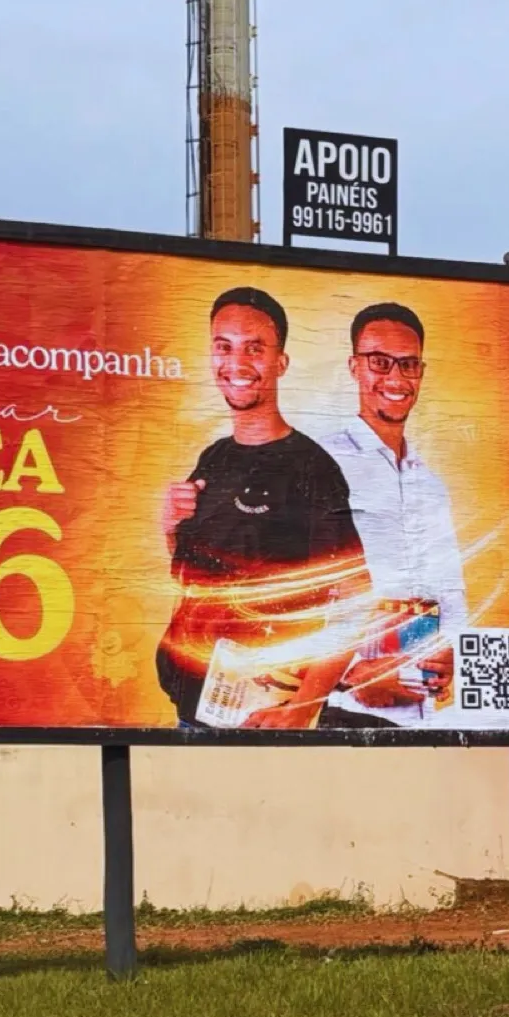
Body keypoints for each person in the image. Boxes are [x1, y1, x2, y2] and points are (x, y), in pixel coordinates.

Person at [157, 287, 368, 729]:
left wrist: (302, 707)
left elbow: (356, 602)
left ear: (281, 363)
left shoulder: (311, 469)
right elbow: (198, 579)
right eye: (224, 347)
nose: (236, 363)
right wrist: (172, 527)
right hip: (192, 715)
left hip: (257, 721)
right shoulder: (214, 458)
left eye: (254, 348)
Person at [320, 302, 468, 728]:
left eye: (409, 364)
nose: (396, 379)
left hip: (422, 716)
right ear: (354, 367)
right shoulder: (320, 463)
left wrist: (452, 655)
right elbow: (285, 588)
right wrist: (348, 675)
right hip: (338, 710)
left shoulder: (430, 484)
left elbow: (451, 595)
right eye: (380, 362)